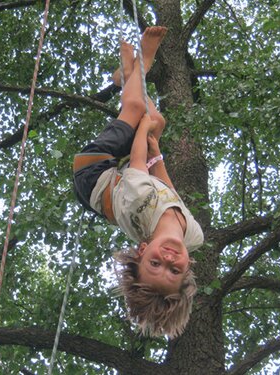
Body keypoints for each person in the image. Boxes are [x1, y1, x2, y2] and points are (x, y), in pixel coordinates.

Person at [72, 26, 204, 338]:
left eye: (155, 263)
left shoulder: (139, 202)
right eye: (174, 269)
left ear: (143, 249)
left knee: (136, 110)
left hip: (93, 174)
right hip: (120, 185)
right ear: (187, 268)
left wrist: (144, 130)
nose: (168, 259)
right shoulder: (194, 235)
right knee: (159, 122)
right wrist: (157, 155)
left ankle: (143, 57)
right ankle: (126, 75)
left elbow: (135, 162)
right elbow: (170, 194)